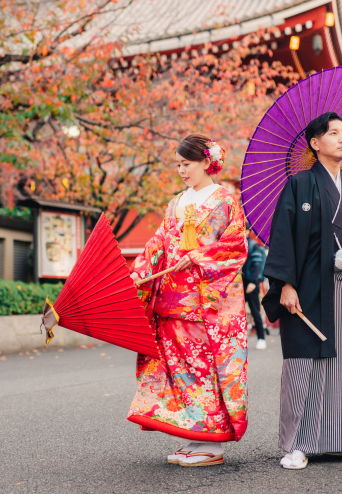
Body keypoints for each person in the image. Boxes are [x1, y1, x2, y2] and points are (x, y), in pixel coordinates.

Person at [261, 112, 342, 470]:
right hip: (308, 289)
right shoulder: (299, 185)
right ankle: (296, 444)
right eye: (333, 133)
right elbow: (283, 237)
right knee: (306, 362)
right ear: (315, 143)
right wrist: (285, 285)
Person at [128, 133, 248, 467]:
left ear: (207, 162)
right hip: (175, 298)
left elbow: (236, 245)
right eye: (178, 164)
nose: (182, 170)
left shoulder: (226, 199)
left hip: (210, 300)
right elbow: (158, 244)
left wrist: (198, 256)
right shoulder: (175, 203)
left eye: (187, 164)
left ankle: (214, 440)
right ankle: (196, 436)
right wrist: (138, 272)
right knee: (180, 368)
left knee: (205, 368)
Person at [243, 236, 268, 349]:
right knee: (238, 314)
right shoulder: (238, 244)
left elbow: (257, 265)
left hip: (251, 283)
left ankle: (261, 338)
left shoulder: (253, 245)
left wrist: (253, 282)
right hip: (239, 285)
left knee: (255, 312)